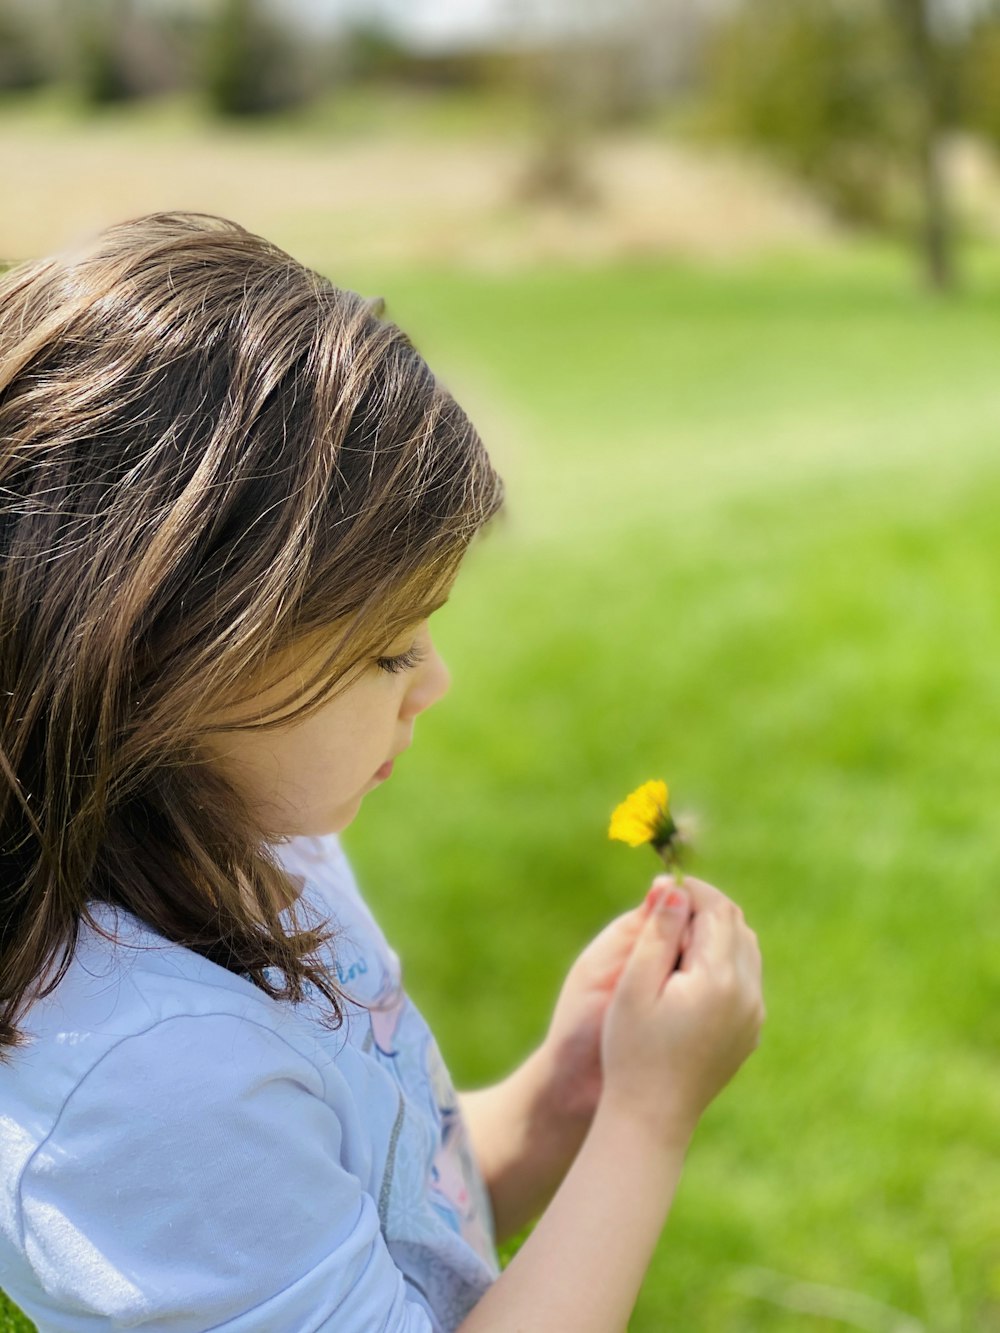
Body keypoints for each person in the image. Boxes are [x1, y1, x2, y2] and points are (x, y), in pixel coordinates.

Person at [0, 211, 764, 1332]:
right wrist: (650, 1118)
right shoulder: (146, 1084)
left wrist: (562, 1095)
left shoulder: (267, 846)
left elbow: (396, 1212)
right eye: (385, 649)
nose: (435, 681)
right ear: (169, 664)